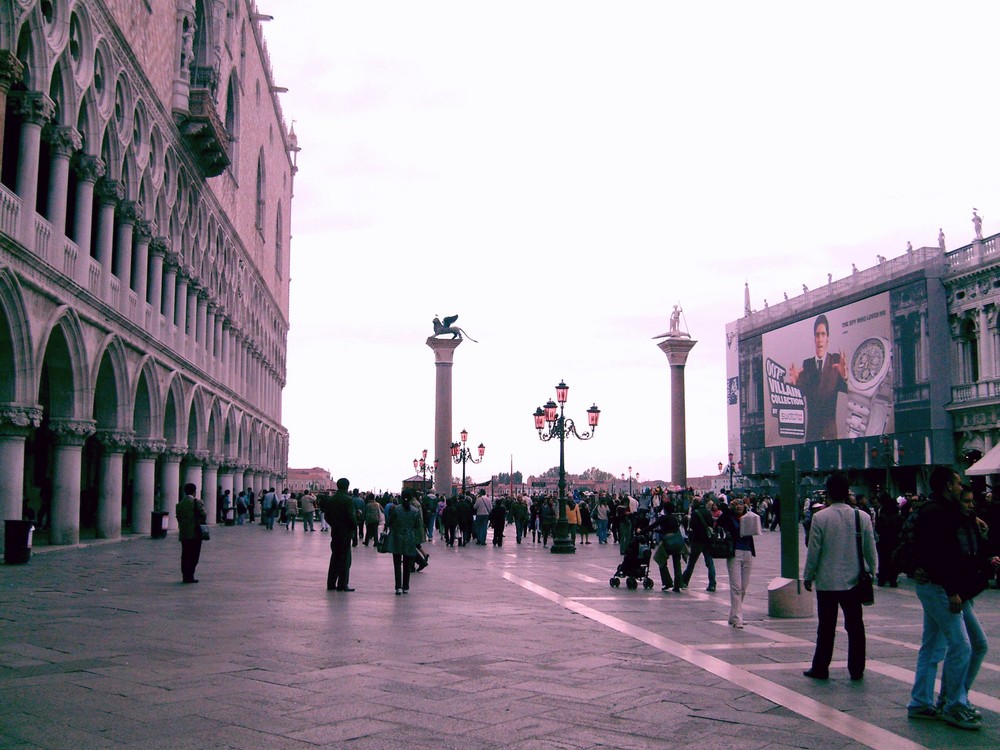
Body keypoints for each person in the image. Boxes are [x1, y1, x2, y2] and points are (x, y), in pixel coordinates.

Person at [906, 468, 997, 730]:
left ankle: (923, 702)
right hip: (941, 587)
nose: (962, 488)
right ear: (948, 486)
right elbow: (940, 554)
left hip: (943, 586)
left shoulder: (945, 511)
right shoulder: (937, 513)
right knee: (962, 645)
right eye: (958, 485)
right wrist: (951, 589)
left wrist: (975, 520)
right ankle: (953, 704)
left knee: (936, 647)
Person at [802, 472, 877, 681]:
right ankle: (856, 668)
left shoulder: (820, 517)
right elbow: (870, 547)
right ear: (847, 492)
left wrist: (808, 575)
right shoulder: (861, 516)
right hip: (853, 580)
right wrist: (874, 569)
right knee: (855, 627)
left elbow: (814, 550)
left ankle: (821, 667)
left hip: (827, 581)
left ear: (828, 493)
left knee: (826, 627)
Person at [787, 314, 848, 442]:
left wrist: (845, 376)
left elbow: (849, 390)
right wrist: (794, 382)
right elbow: (800, 394)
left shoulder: (835, 361)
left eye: (823, 334)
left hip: (830, 436)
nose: (820, 339)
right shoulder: (807, 365)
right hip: (812, 436)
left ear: (827, 338)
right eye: (817, 334)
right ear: (814, 339)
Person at [718, 498, 755, 628]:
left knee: (743, 587)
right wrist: (728, 509)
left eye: (741, 505)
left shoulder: (748, 517)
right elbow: (720, 522)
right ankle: (738, 618)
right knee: (736, 587)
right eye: (736, 506)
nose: (739, 508)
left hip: (748, 552)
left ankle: (733, 615)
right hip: (734, 553)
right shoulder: (728, 518)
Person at [321, 478, 358, 591]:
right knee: (345, 559)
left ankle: (331, 583)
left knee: (335, 557)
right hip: (345, 532)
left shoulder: (332, 499)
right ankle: (342, 584)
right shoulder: (348, 500)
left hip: (335, 532)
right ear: (347, 486)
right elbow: (351, 517)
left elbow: (327, 516)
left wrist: (334, 524)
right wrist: (353, 527)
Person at [387, 489, 422, 594]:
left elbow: (390, 522)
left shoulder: (396, 509)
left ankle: (398, 586)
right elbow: (417, 525)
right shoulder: (415, 511)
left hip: (397, 537)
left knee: (397, 563)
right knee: (407, 564)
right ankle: (405, 586)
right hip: (410, 538)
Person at [681, 495, 717, 592]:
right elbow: (711, 524)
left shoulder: (695, 513)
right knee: (710, 562)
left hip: (697, 541)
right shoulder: (707, 512)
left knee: (691, 563)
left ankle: (684, 581)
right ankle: (712, 583)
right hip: (708, 540)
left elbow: (692, 526)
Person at [175, 482, 207, 584]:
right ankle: (190, 575)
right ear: (194, 491)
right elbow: (203, 515)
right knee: (194, 555)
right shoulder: (196, 502)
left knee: (185, 555)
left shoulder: (179, 504)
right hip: (195, 533)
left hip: (184, 533)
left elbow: (178, 518)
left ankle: (185, 575)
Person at [874, 492, 902, 587]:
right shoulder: (896, 508)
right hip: (895, 538)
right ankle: (893, 580)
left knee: (883, 559)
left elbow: (878, 525)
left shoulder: (880, 510)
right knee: (893, 559)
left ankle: (882, 579)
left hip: (883, 538)